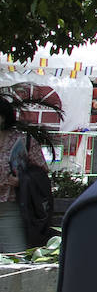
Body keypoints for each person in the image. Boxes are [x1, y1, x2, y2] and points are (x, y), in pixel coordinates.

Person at [0, 87, 53, 252]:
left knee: (15, 257)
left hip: (11, 207)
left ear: (2, 118)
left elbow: (42, 174)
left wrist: (22, 180)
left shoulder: (23, 140)